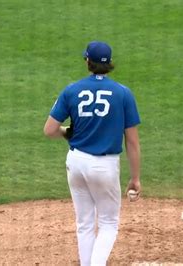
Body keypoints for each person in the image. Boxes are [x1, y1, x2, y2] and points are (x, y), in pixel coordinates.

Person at [43, 41, 141, 265]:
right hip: (104, 167)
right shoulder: (123, 94)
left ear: (88, 62)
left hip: (76, 163)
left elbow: (49, 130)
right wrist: (135, 179)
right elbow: (132, 142)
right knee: (108, 224)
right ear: (110, 64)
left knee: (84, 223)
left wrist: (67, 132)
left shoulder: (71, 90)